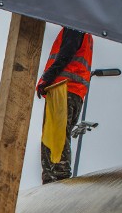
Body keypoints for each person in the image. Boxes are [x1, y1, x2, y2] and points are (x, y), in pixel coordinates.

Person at [36, 27, 94, 184]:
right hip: (75, 91)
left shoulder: (75, 27)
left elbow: (65, 55)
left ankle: (55, 177)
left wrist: (46, 78)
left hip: (63, 89)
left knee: (54, 135)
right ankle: (58, 176)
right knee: (61, 133)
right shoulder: (86, 33)